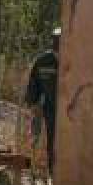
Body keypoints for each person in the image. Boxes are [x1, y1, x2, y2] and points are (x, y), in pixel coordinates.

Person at [25, 26, 60, 173]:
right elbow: (34, 85)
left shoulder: (77, 57)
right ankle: (54, 176)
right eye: (56, 40)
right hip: (51, 110)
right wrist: (34, 106)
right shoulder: (43, 61)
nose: (58, 44)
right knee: (53, 143)